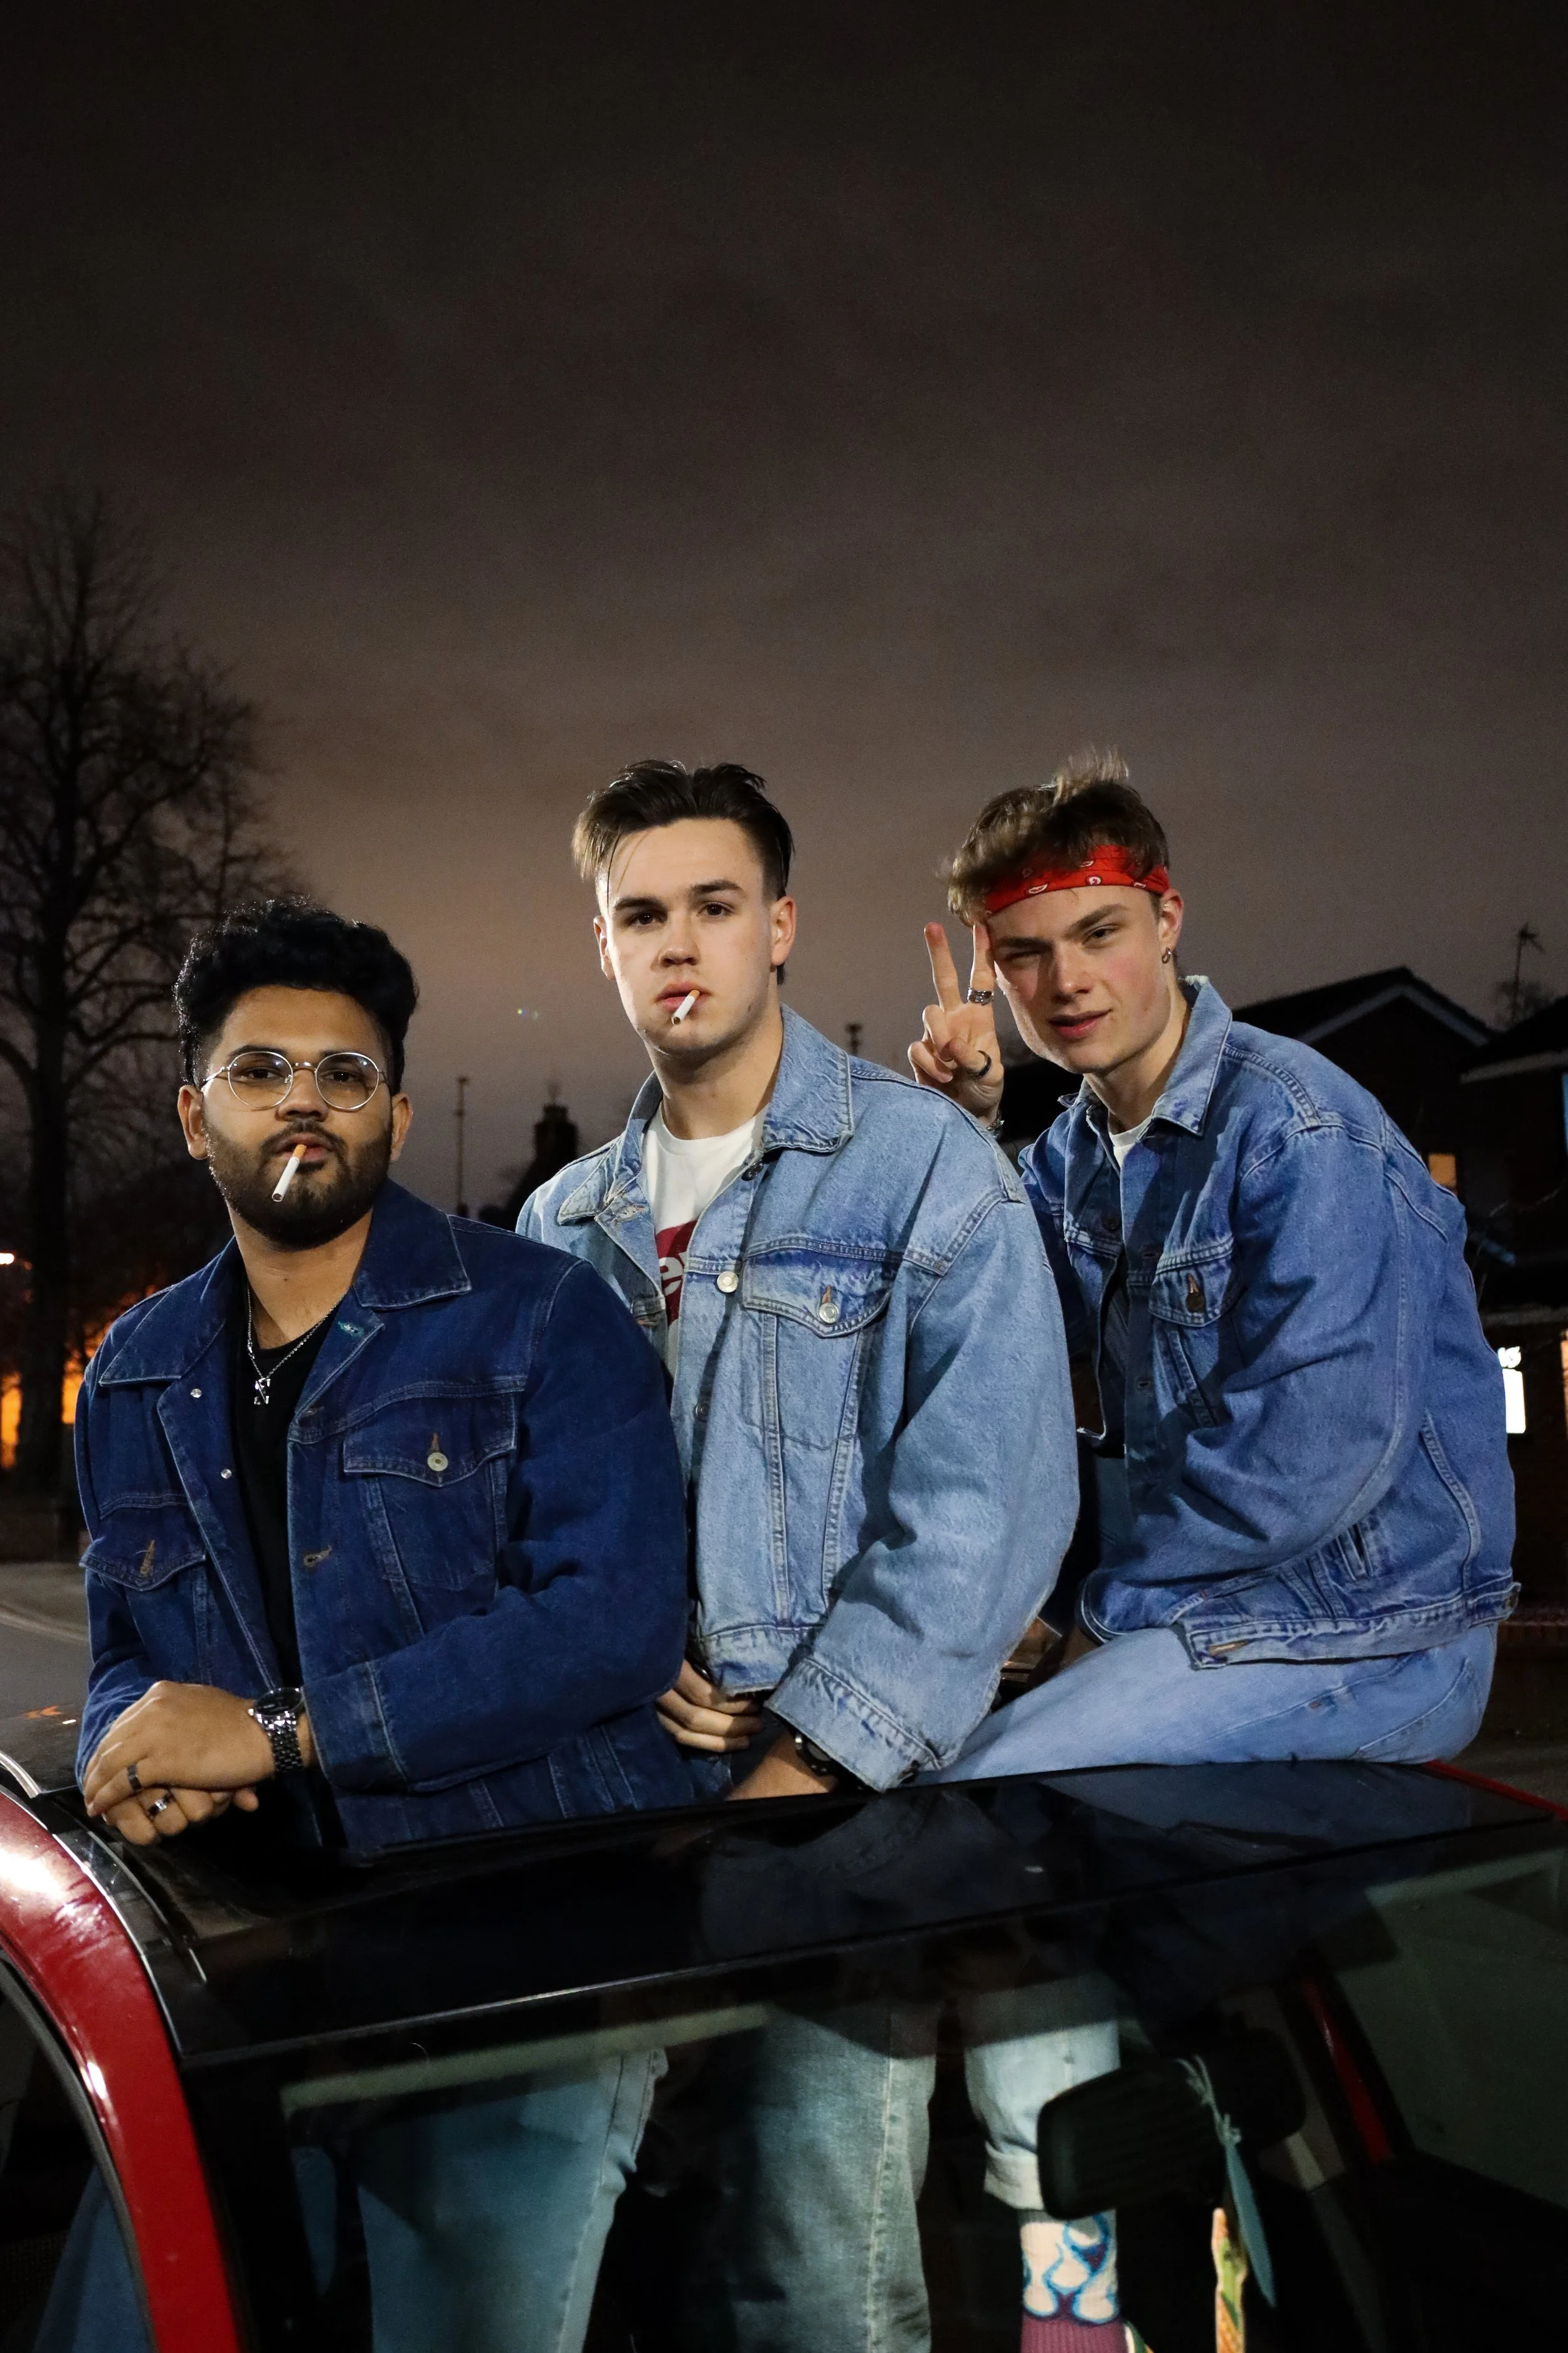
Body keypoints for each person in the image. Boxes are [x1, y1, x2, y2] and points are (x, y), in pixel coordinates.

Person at [905, 750, 1515, 2351]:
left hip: (1364, 1629)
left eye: (1097, 933)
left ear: (1166, 919)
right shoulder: (1073, 1154)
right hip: (1205, 1626)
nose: (1063, 982)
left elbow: (1306, 1465)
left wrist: (1089, 1622)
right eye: (1024, 953)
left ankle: (1098, 2273)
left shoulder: (1300, 1131)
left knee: (989, 1815)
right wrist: (965, 1128)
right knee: (993, 1868)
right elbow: (982, 1334)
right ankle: (1136, 2233)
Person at [62, 898, 692, 2353]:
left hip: (525, 1954)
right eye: (259, 1070)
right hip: (251, 1962)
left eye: (342, 1075)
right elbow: (124, 1642)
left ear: (395, 1119)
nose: (303, 1100)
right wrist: (123, 1745)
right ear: (193, 1116)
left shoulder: (542, 1316)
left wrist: (281, 1732)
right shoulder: (136, 1369)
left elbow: (611, 1624)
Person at [521, 758, 1079, 2349]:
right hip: (621, 1818)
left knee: (813, 2275)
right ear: (603, 947)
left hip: (841, 1826)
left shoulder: (926, 1171)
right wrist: (624, 1657)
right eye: (640, 914)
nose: (676, 942)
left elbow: (981, 1520)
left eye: (714, 904)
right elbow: (534, 1518)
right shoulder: (560, 1226)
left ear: (779, 926)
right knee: (584, 2258)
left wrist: (793, 1770)